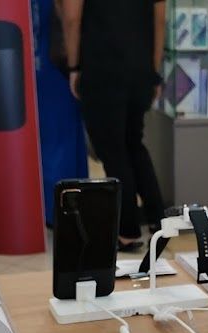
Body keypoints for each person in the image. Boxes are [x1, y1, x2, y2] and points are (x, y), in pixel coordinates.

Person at [61, 0, 167, 251]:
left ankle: (127, 231)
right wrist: (153, 71)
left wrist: (74, 67)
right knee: (133, 143)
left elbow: (72, 19)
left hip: (102, 68)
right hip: (140, 69)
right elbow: (160, 21)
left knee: (113, 150)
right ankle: (159, 220)